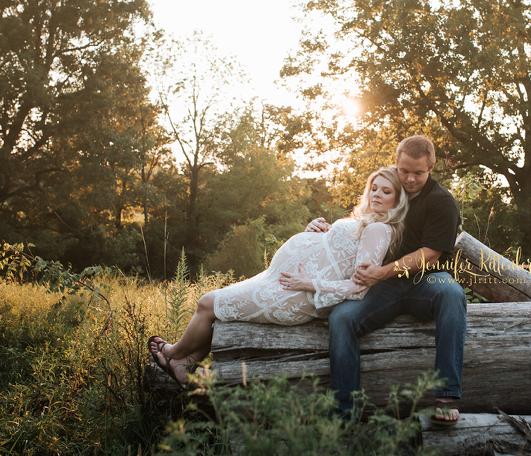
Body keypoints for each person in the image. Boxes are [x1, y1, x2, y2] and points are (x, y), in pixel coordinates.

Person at [148, 166, 409, 388]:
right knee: (215, 305)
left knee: (208, 303)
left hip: (299, 295)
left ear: (397, 200)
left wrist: (309, 283)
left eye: (386, 192)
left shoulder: (379, 229)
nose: (377, 194)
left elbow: (358, 288)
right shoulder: (366, 221)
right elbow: (336, 255)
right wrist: (315, 235)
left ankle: (172, 353)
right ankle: (184, 364)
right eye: (374, 187)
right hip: (283, 282)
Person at [306, 136, 465, 425]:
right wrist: (321, 229)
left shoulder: (442, 202)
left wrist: (381, 272)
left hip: (425, 281)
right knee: (342, 318)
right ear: (397, 162)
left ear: (431, 166)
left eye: (418, 172)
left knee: (451, 291)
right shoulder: (392, 188)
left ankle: (446, 395)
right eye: (404, 170)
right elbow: (358, 224)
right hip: (385, 287)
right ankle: (343, 415)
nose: (410, 178)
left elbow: (429, 255)